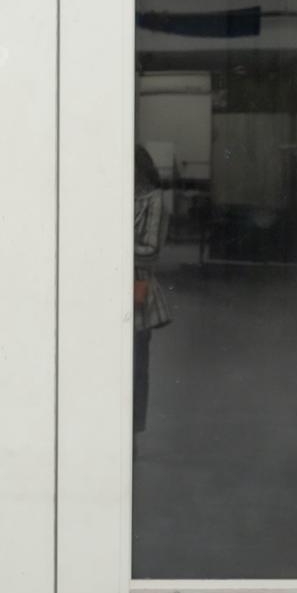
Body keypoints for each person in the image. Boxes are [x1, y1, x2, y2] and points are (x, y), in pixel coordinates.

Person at [133, 143, 172, 434]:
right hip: (105, 297)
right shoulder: (115, 194)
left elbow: (151, 251)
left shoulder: (155, 200)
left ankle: (131, 436)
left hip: (137, 298)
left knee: (135, 369)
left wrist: (110, 245)